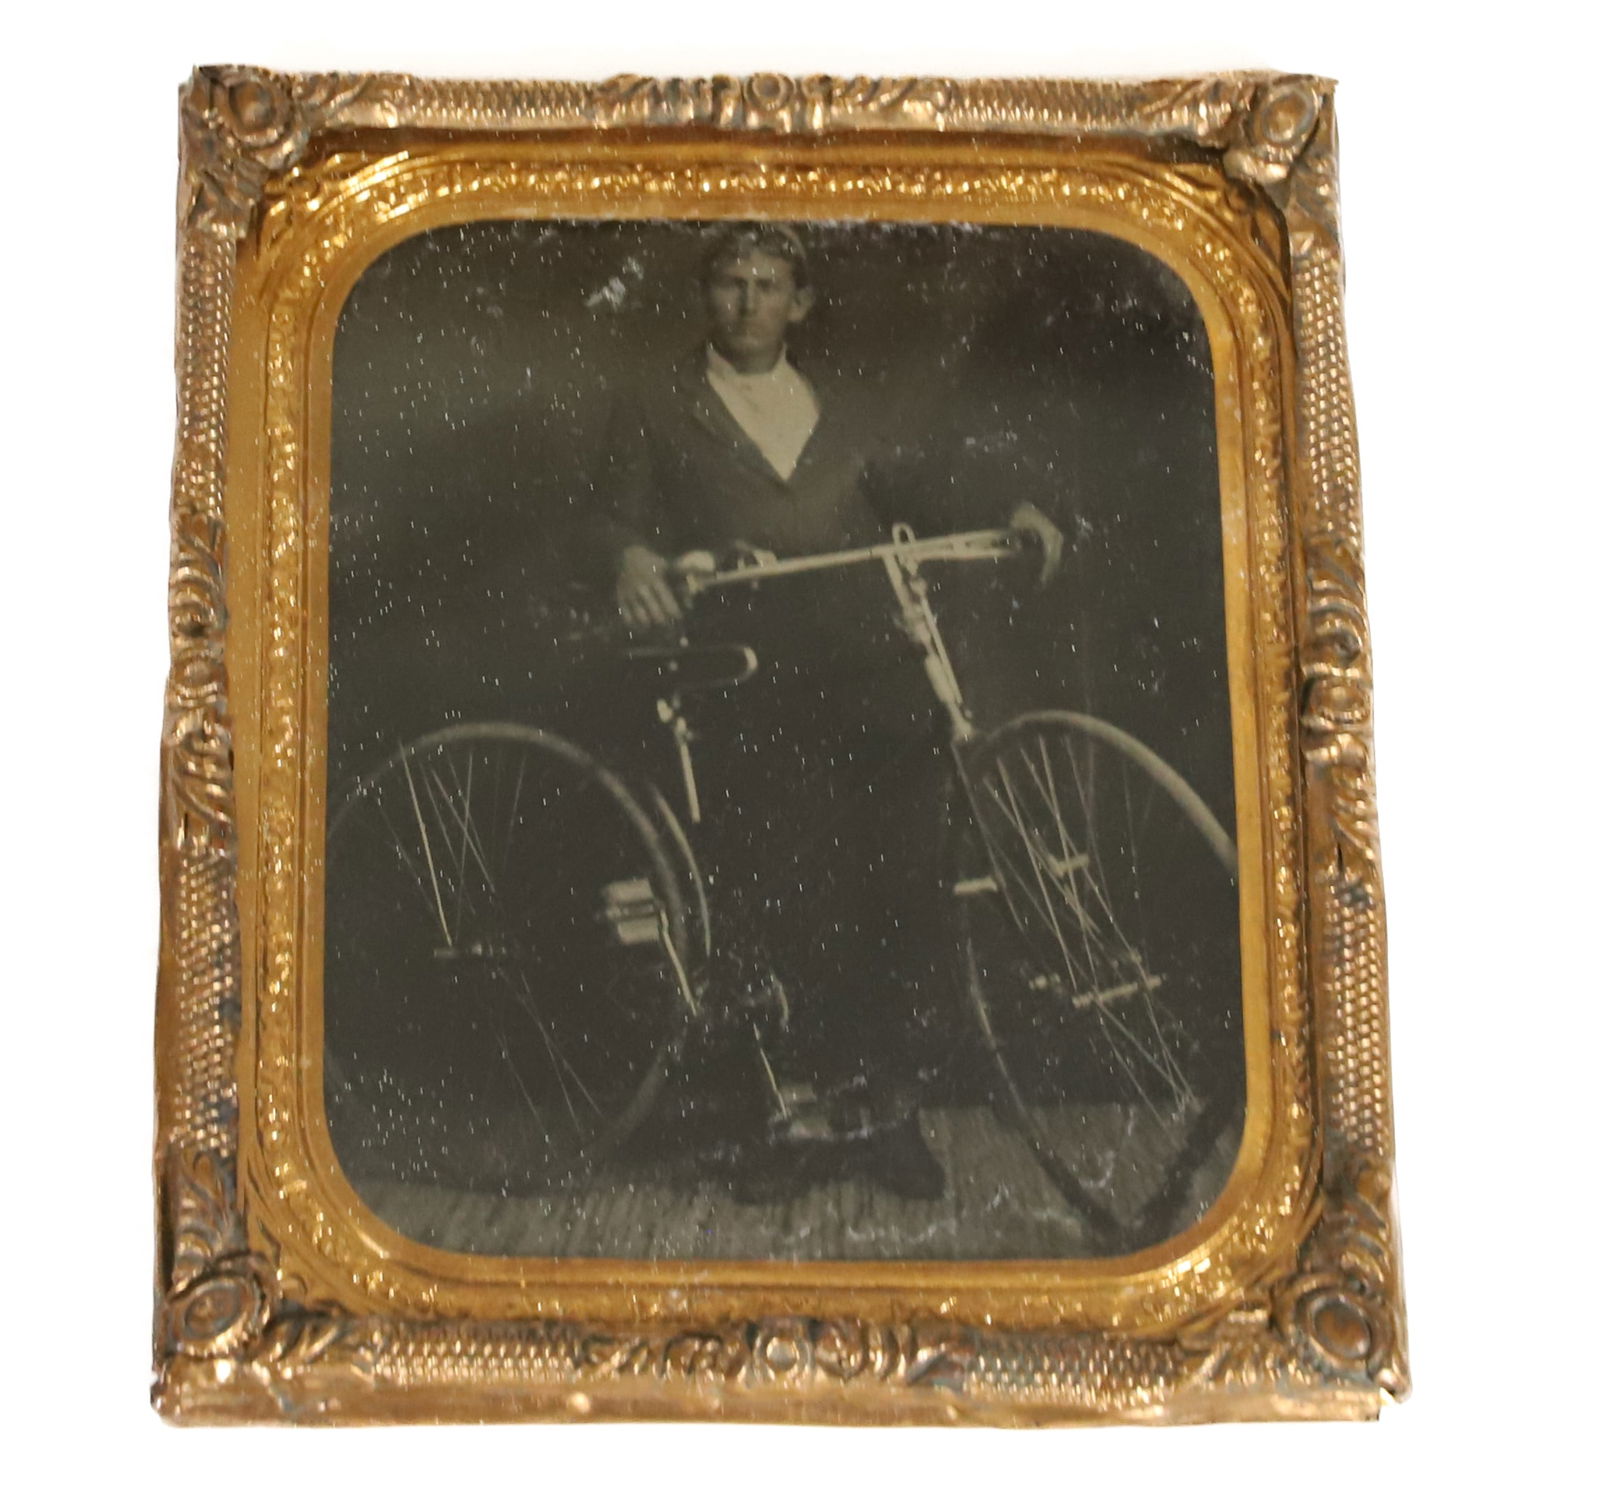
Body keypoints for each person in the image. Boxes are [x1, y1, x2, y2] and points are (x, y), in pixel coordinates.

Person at [588, 223, 1065, 1200]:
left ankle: (885, 1112)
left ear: (800, 304)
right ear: (706, 296)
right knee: (779, 891)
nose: (749, 301)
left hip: (869, 669)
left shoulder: (840, 408)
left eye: (769, 285)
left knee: (896, 892)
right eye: (730, 283)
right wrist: (631, 559)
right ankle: (790, 1116)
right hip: (749, 679)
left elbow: (923, 491)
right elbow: (608, 514)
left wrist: (1018, 508)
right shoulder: (657, 407)